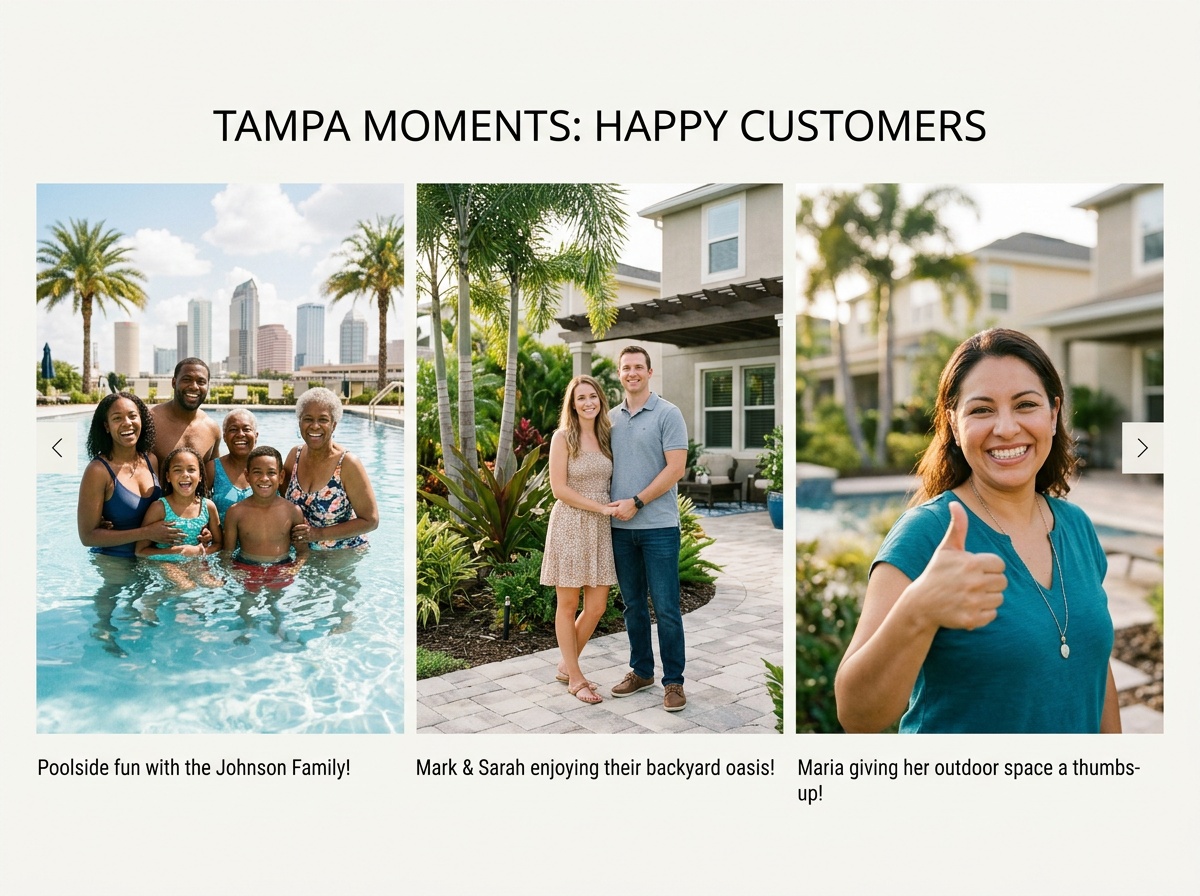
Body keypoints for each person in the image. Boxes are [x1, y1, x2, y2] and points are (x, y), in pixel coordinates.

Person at [835, 328, 1121, 734]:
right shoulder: (926, 534)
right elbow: (856, 716)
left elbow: (1097, 673)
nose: (1006, 428)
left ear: (1053, 414)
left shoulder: (1077, 527)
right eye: (982, 410)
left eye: (1026, 404)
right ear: (953, 424)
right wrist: (919, 610)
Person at [607, 346, 689, 711]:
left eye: (638, 367)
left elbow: (676, 469)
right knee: (633, 605)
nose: (632, 373)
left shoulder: (668, 414)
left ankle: (674, 682)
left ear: (650, 372)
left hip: (658, 528)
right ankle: (641, 671)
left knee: (667, 608)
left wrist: (636, 502)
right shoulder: (610, 419)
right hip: (620, 530)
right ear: (619, 374)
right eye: (626, 368)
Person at [539, 375, 618, 705]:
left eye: (593, 397)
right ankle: (575, 676)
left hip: (600, 528)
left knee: (597, 605)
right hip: (571, 523)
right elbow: (559, 489)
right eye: (581, 398)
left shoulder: (607, 437)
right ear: (572, 405)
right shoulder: (563, 438)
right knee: (568, 604)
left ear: (601, 400)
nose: (588, 402)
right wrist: (599, 506)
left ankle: (565, 666)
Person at [77, 391, 178, 556]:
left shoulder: (151, 460)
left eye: (132, 416)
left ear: (141, 420)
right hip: (115, 562)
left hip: (151, 557)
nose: (127, 423)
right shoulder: (98, 471)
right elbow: (87, 537)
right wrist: (146, 532)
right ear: (106, 426)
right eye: (117, 418)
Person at [282, 387, 378, 550]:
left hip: (342, 555)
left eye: (323, 419)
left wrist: (318, 534)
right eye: (308, 419)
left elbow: (371, 520)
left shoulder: (347, 464)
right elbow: (281, 502)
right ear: (300, 422)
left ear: (333, 425)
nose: (314, 426)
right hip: (302, 554)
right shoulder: (294, 456)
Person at [135, 446, 224, 589]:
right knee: (185, 586)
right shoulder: (159, 508)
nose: (185, 475)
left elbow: (219, 544)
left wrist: (200, 551)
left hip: (195, 560)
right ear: (168, 477)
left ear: (200, 476)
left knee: (214, 585)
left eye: (191, 469)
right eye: (177, 470)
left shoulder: (208, 506)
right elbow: (140, 551)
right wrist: (176, 552)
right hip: (165, 563)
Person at [225, 446, 309, 589]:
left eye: (271, 473)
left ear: (281, 477)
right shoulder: (236, 512)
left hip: (282, 568)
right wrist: (232, 570)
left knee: (276, 607)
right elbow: (227, 553)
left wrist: (294, 569)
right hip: (246, 567)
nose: (264, 479)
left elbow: (303, 552)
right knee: (246, 606)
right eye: (257, 472)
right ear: (247, 476)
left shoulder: (292, 511)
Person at [150, 357, 221, 466]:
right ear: (174, 383)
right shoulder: (151, 420)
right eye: (187, 379)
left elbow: (215, 477)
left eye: (201, 382)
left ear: (208, 386)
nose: (194, 387)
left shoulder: (212, 429)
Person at [206, 408, 258, 524]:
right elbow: (197, 507)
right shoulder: (213, 468)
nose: (240, 434)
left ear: (256, 435)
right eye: (233, 429)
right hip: (223, 541)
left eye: (246, 429)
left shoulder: (269, 467)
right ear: (224, 437)